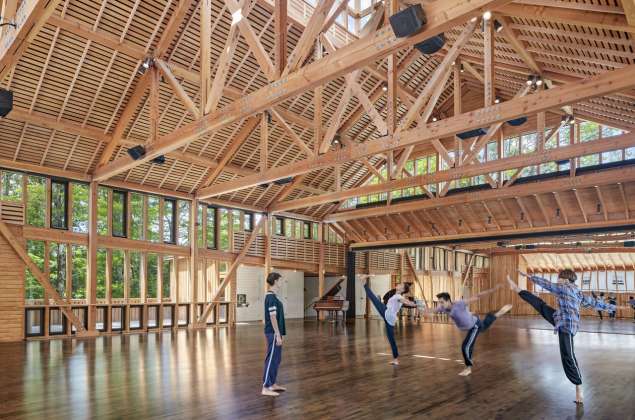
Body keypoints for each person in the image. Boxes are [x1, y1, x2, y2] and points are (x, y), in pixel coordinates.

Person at [508, 270, 618, 405]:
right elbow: (594, 303)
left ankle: (578, 385)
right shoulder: (578, 291)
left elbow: (547, 284)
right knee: (541, 306)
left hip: (566, 326)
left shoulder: (563, 287)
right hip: (559, 318)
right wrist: (613, 307)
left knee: (568, 355)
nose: (557, 280)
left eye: (559, 278)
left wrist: (530, 277)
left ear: (565, 279)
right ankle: (519, 290)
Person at [433, 287, 512, 376]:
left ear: (448, 301)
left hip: (474, 326)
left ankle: (468, 368)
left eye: (442, 302)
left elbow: (477, 296)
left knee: (465, 346)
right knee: (484, 327)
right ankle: (497, 314)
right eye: (439, 302)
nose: (440, 304)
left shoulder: (459, 304)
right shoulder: (443, 308)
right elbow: (433, 310)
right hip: (474, 322)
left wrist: (490, 291)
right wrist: (426, 312)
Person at [363, 278, 417, 365]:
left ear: (402, 290)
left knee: (373, 299)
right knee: (391, 339)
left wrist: (413, 304)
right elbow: (401, 302)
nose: (398, 284)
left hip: (387, 314)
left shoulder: (399, 297)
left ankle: (364, 283)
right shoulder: (396, 296)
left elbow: (405, 301)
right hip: (390, 319)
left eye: (400, 285)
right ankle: (395, 360)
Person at [262, 272, 287, 397]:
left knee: (276, 359)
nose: (282, 283)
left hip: (276, 333)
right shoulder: (271, 297)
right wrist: (277, 334)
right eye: (281, 280)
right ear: (276, 281)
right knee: (271, 359)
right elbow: (272, 317)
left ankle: (272, 384)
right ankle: (266, 387)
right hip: (272, 333)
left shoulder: (273, 296)